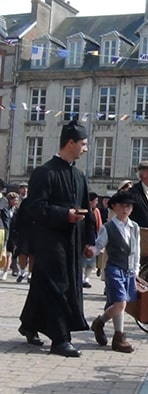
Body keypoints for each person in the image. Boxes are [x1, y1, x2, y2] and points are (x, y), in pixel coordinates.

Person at [18, 119, 96, 357]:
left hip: (71, 241)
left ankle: (29, 324)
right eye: (82, 143)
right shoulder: (44, 173)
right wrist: (65, 214)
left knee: (47, 286)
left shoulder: (79, 176)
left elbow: (87, 210)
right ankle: (61, 338)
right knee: (57, 287)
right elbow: (35, 207)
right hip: (49, 241)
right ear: (70, 142)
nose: (85, 148)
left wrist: (89, 241)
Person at [87, 191, 140, 353]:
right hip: (114, 268)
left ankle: (101, 323)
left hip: (129, 270)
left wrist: (136, 270)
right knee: (120, 303)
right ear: (114, 207)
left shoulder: (134, 227)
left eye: (128, 206)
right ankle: (119, 336)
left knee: (121, 304)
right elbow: (99, 245)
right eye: (122, 206)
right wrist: (92, 251)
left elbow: (136, 250)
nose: (125, 209)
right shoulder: (108, 227)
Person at [82, 192, 102, 288]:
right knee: (83, 259)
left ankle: (87, 278)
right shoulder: (84, 210)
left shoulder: (96, 211)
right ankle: (82, 278)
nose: (97, 203)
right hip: (84, 237)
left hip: (93, 236)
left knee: (91, 260)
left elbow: (98, 225)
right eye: (96, 201)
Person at [1, 192, 19, 280]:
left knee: (9, 253)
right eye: (14, 200)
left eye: (17, 200)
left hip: (13, 234)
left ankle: (5, 271)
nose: (16, 202)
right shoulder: (5, 209)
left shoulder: (17, 210)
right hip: (4, 232)